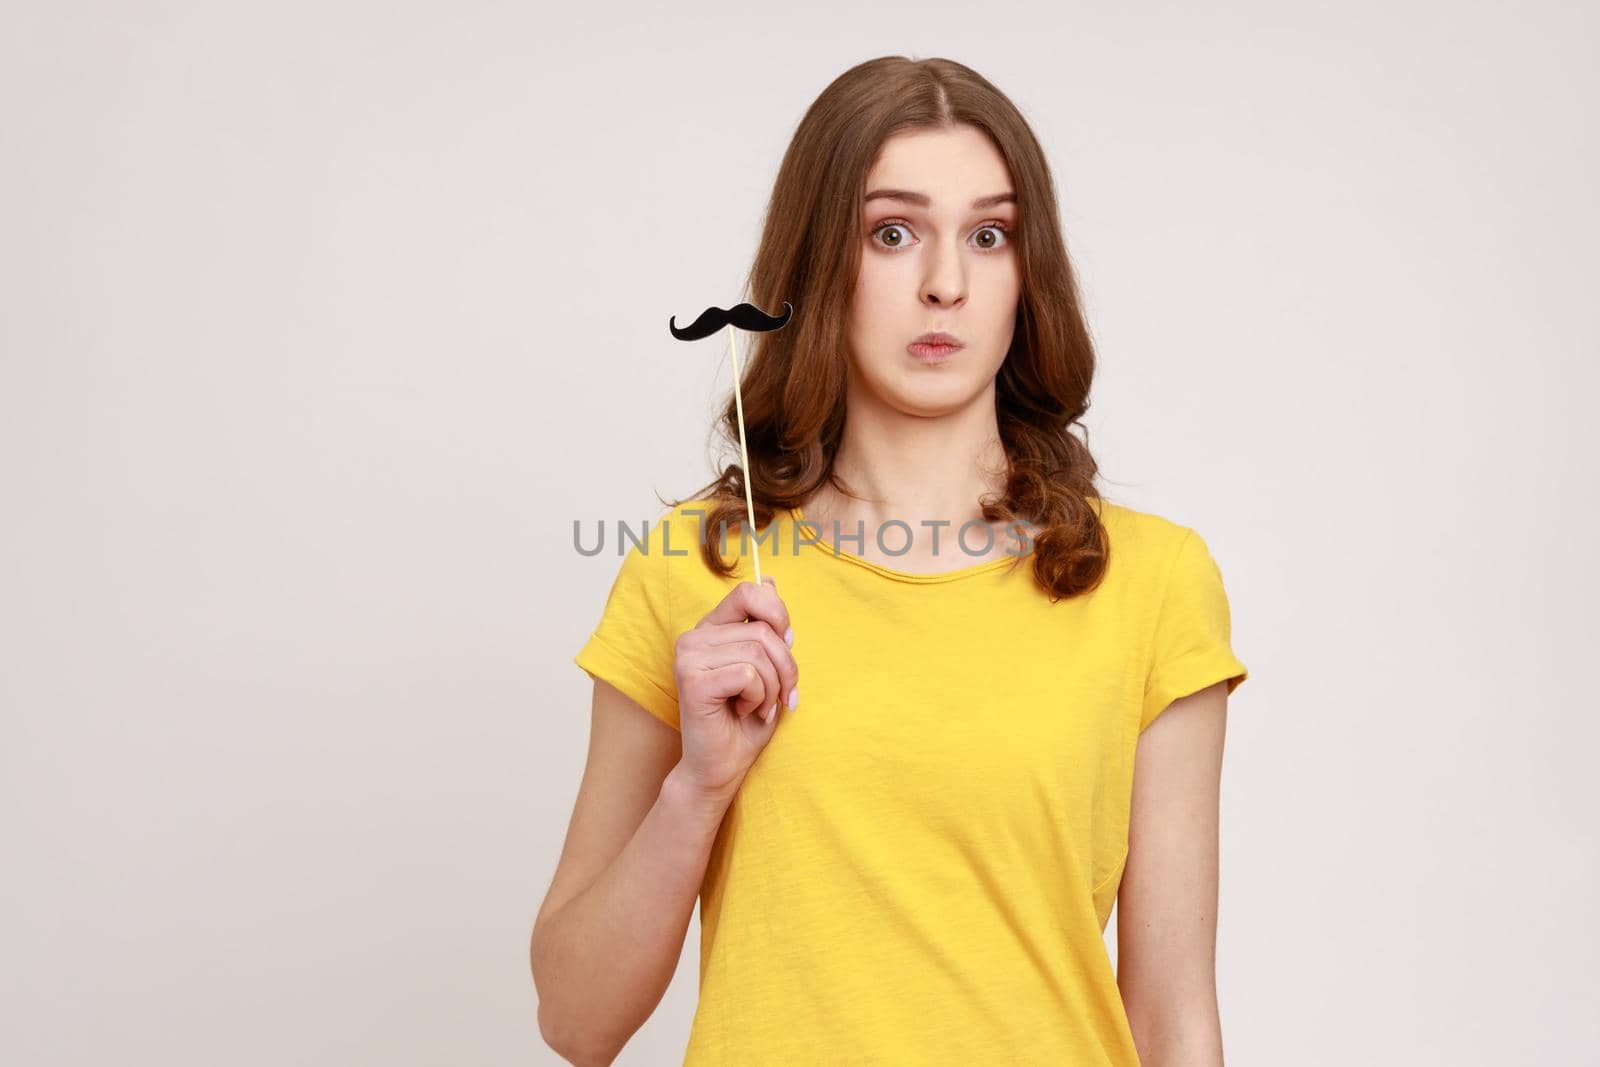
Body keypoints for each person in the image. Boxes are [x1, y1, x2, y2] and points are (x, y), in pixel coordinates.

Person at [531, 55, 1248, 1067]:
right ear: (819, 262)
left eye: (989, 235)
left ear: (1027, 271)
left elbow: (1175, 1018)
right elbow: (574, 1016)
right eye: (892, 232)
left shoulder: (1152, 581)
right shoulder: (699, 575)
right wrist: (695, 788)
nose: (944, 281)